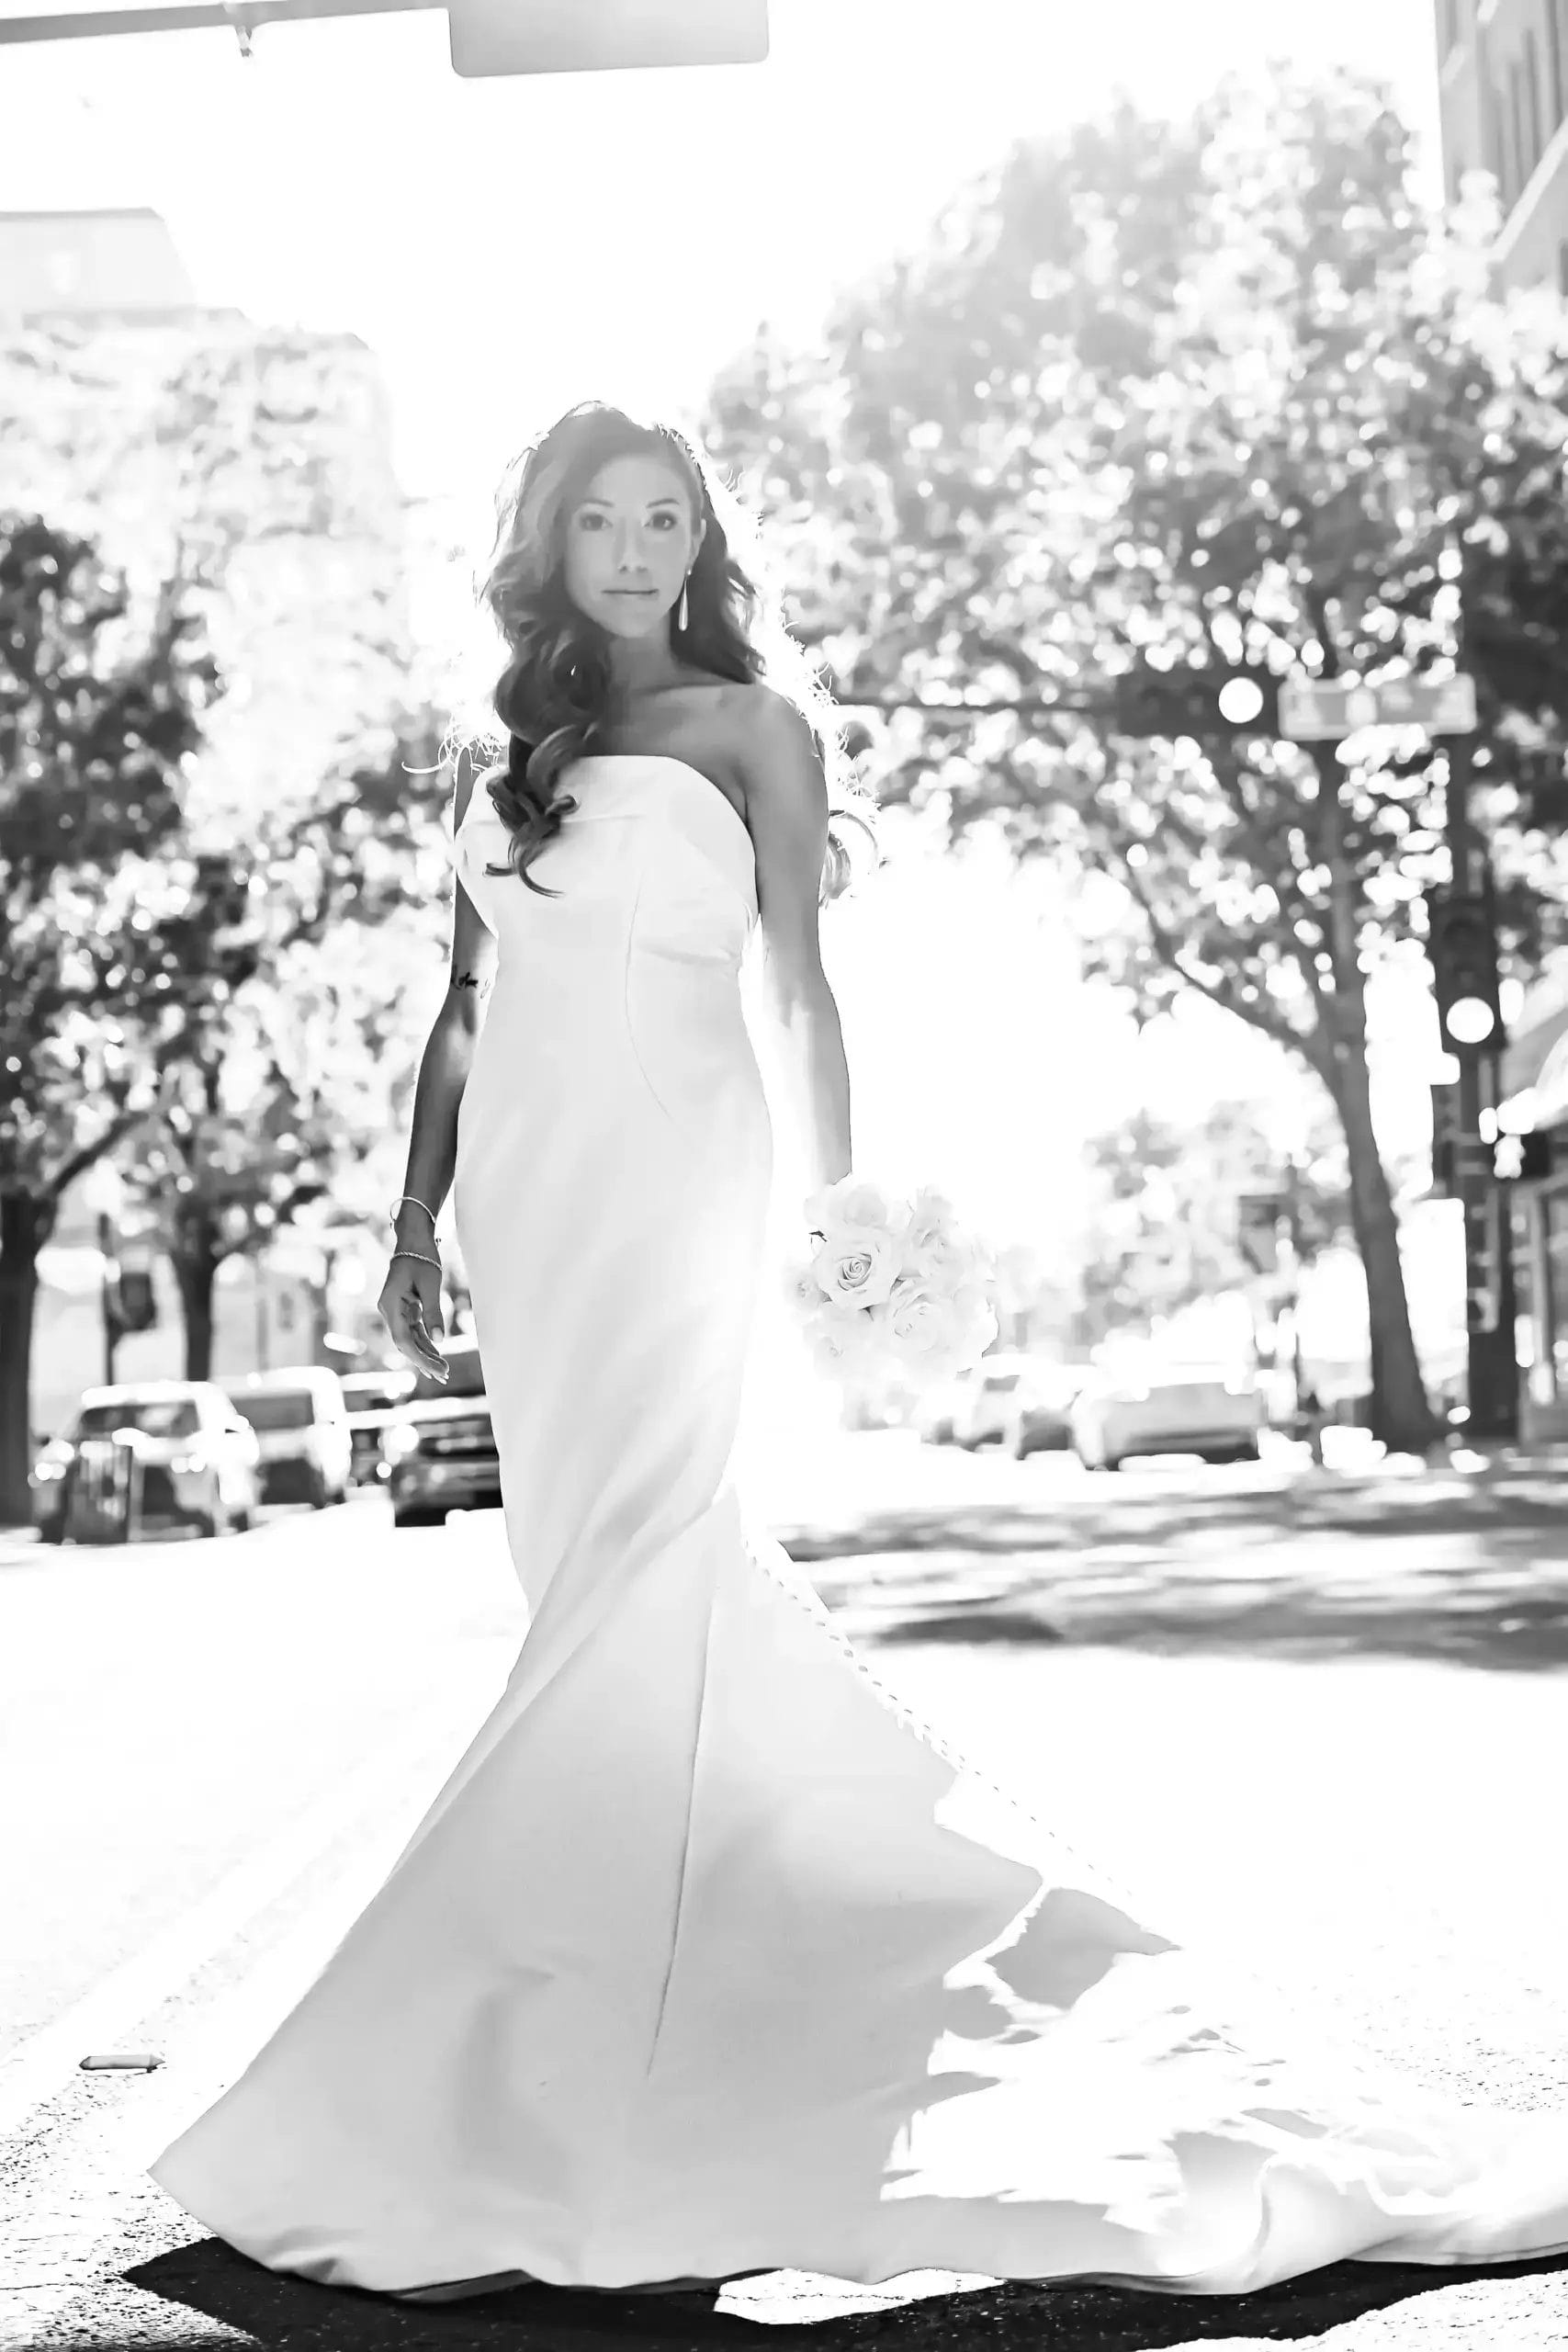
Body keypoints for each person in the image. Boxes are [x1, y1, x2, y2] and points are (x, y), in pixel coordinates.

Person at [149, 404, 1568, 2306]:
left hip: (676, 1183)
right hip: (528, 1208)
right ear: (545, 544)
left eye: (667, 519)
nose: (637, 549)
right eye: (601, 519)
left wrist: (835, 1215)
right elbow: (462, 1009)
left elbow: (800, 985)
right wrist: (413, 1216)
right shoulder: (496, 773)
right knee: (586, 1581)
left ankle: (526, 2033)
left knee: (648, 1573)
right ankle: (635, 1976)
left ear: (700, 542)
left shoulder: (754, 732)